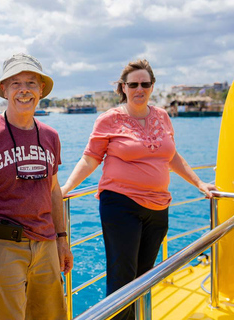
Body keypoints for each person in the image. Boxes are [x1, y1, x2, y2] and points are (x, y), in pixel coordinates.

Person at [60, 59, 217, 320]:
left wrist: (199, 182)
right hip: (121, 205)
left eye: (145, 83)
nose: (139, 89)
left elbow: (172, 156)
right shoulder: (109, 120)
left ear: (152, 86)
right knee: (123, 276)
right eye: (133, 84)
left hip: (158, 207)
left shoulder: (163, 117)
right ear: (123, 87)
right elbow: (90, 159)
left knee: (145, 275)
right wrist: (66, 188)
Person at [0, 53, 73, 320]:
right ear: (5, 90)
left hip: (45, 247)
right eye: (16, 83)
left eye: (31, 83)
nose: (24, 90)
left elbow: (54, 191)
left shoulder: (50, 136)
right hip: (1, 246)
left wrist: (62, 241)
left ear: (41, 89)